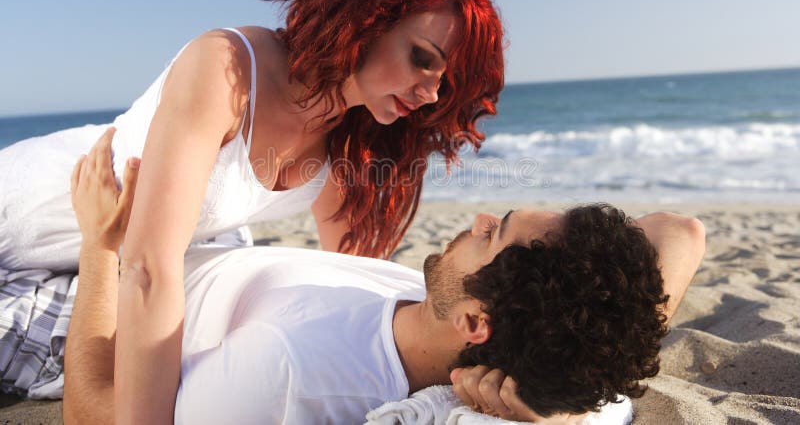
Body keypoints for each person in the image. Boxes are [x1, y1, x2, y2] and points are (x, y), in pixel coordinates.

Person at [0, 0, 504, 419]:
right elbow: (149, 268)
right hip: (35, 209)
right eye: (422, 58)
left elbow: (353, 285)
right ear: (370, 17)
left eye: (446, 79)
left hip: (97, 261)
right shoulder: (227, 68)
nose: (432, 93)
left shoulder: (350, 140)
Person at [60, 128, 705, 424]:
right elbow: (682, 231)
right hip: (209, 251)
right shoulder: (517, 344)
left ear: (476, 322)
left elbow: (95, 411)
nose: (477, 217)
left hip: (93, 300)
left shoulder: (289, 374)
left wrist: (99, 243)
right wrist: (569, 403)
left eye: (494, 232)